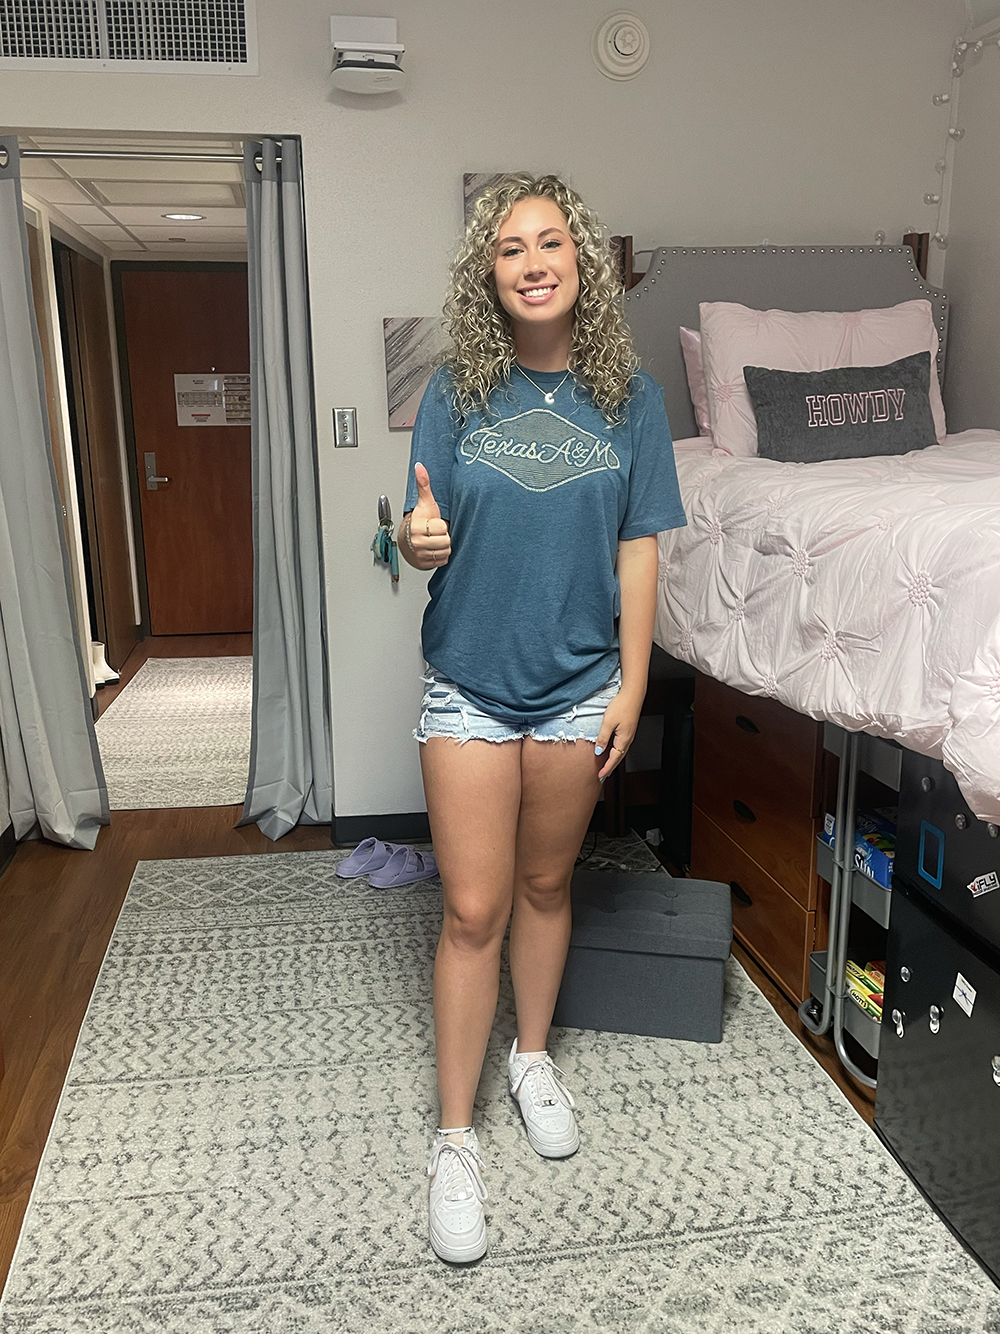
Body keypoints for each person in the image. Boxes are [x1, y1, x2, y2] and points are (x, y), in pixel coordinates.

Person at [399, 174, 686, 1264]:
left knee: (547, 883)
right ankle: (456, 1136)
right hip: (468, 680)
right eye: (510, 246)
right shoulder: (454, 389)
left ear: (581, 263)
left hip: (578, 687)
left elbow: (638, 545)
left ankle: (530, 1058)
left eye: (550, 241)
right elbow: (417, 526)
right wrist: (414, 541)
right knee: (472, 906)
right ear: (490, 272)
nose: (531, 259)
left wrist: (631, 680)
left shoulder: (633, 399)